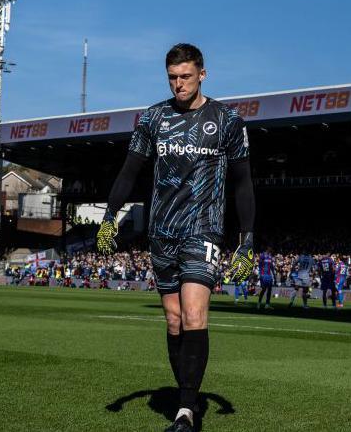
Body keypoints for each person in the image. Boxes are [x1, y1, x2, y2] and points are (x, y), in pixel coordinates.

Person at [95, 43, 255, 432]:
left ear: (203, 74)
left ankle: (185, 412)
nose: (178, 84)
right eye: (172, 78)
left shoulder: (228, 120)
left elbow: (243, 181)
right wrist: (110, 217)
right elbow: (130, 170)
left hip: (204, 230)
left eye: (185, 76)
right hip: (161, 232)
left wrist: (246, 239)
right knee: (173, 319)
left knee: (196, 313)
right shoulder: (153, 118)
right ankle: (188, 397)